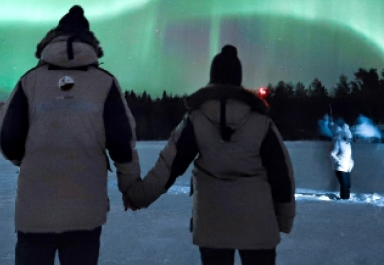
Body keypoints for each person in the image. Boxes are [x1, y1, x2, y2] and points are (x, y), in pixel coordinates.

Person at [0, 5, 142, 264]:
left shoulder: (29, 81)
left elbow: (6, 138)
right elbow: (122, 143)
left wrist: (25, 160)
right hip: (85, 210)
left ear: (52, 39)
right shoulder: (105, 82)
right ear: (91, 43)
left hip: (34, 209)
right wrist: (129, 186)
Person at [124, 45, 295, 265]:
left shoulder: (196, 119)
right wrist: (284, 218)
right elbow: (282, 173)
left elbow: (168, 166)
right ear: (238, 79)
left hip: (212, 224)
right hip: (258, 224)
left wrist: (139, 195)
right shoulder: (261, 122)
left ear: (212, 77)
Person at [330, 119, 354, 200]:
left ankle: (347, 199)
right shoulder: (339, 142)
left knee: (348, 184)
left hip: (347, 167)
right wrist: (339, 161)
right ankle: (344, 199)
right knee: (344, 184)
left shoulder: (348, 144)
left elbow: (349, 155)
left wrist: (351, 162)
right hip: (340, 167)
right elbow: (332, 154)